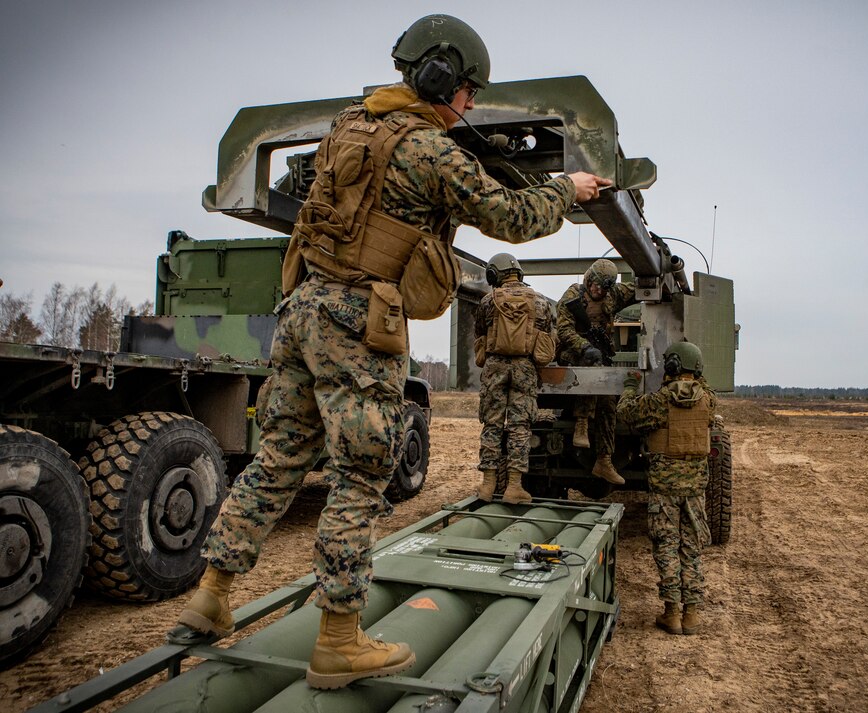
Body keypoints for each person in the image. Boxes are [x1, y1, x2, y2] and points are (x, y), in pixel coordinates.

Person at [175, 13, 611, 690]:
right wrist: (566, 190)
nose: (469, 104)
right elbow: (512, 218)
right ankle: (340, 638)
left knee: (279, 458)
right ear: (439, 77)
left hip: (301, 311)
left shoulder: (347, 126)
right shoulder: (430, 152)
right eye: (466, 90)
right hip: (358, 321)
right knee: (360, 472)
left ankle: (212, 592)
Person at [617, 341, 716, 635]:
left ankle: (671, 613)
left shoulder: (659, 402)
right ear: (698, 369)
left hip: (664, 488)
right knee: (691, 548)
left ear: (671, 367)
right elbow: (701, 387)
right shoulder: (709, 401)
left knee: (667, 547)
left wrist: (631, 386)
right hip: (695, 488)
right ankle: (693, 614)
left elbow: (626, 412)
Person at [474, 253, 556, 504]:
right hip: (525, 368)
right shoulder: (540, 301)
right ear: (518, 273)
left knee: (493, 424)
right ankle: (514, 487)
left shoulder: (488, 300)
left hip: (494, 367)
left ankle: (488, 486)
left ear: (494, 274)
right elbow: (551, 337)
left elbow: (479, 332)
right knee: (520, 427)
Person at [555, 258, 636, 484]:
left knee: (609, 401)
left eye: (602, 287)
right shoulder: (573, 296)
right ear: (589, 280)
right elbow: (563, 329)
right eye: (595, 285)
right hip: (572, 352)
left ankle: (604, 461)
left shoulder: (614, 295)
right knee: (591, 366)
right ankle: (581, 422)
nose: (597, 290)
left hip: (599, 354)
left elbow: (636, 288)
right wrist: (584, 346)